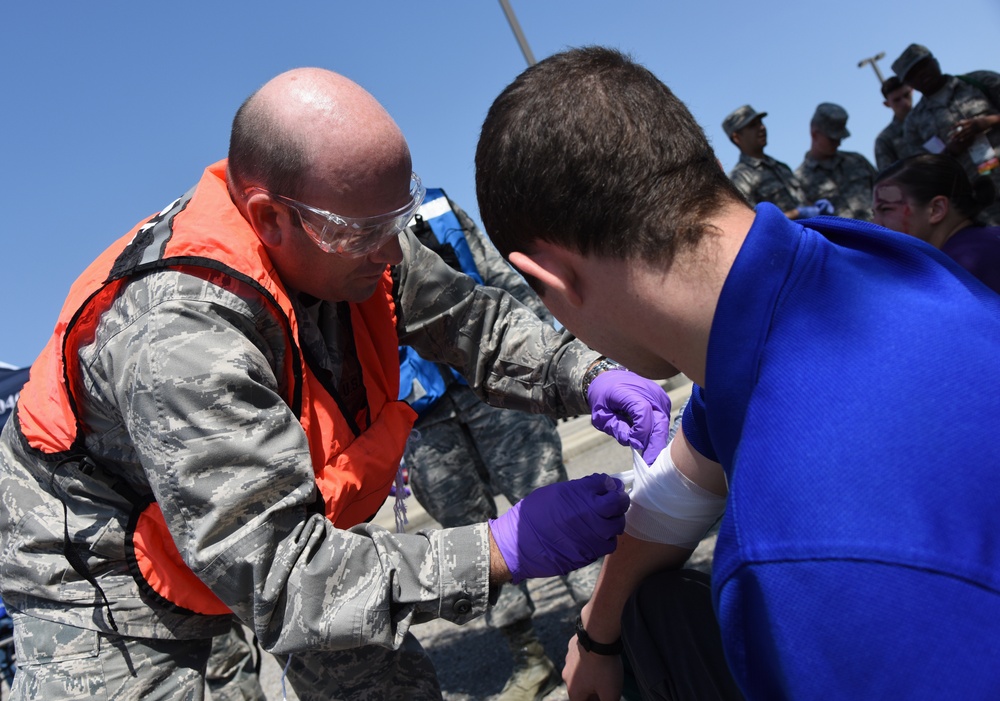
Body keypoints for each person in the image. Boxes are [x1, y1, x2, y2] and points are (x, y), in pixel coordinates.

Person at [0, 67, 668, 700]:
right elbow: (286, 575)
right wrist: (500, 546)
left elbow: (470, 322)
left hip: (271, 524)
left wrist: (586, 374)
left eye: (397, 221)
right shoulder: (178, 337)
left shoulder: (350, 237)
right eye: (368, 232)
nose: (390, 252)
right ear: (270, 219)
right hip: (100, 563)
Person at [474, 46, 1000, 700]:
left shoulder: (797, 567)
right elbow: (685, 477)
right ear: (706, 168)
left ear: (553, 279)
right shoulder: (867, 262)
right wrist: (596, 631)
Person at [397, 187, 593, 700]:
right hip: (420, 416)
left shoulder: (437, 208)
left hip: (494, 388)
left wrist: (548, 361)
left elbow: (500, 279)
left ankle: (607, 631)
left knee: (549, 502)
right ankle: (529, 658)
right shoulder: (330, 239)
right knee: (467, 538)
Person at [892, 43, 1000, 225]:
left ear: (934, 61)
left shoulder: (980, 81)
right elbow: (921, 173)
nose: (921, 74)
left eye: (923, 66)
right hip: (979, 204)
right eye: (912, 74)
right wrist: (950, 152)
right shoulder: (913, 123)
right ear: (909, 84)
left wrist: (987, 122)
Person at [873, 153, 1000, 293]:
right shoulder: (988, 240)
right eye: (874, 214)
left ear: (936, 209)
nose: (875, 224)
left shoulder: (954, 273)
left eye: (886, 209)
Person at [722, 105, 831, 219]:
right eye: (752, 125)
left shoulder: (781, 167)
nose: (762, 127)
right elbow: (751, 223)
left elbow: (801, 201)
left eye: (760, 122)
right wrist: (796, 214)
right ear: (736, 137)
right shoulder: (740, 178)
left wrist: (816, 208)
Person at [795, 102, 878, 221]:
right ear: (814, 134)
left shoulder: (857, 161)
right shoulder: (800, 180)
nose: (838, 143)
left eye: (841, 138)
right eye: (833, 139)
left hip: (878, 233)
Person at [873, 76, 914, 170]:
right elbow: (888, 176)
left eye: (906, 95)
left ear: (912, 90)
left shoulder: (932, 114)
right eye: (897, 100)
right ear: (887, 104)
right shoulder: (885, 139)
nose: (904, 103)